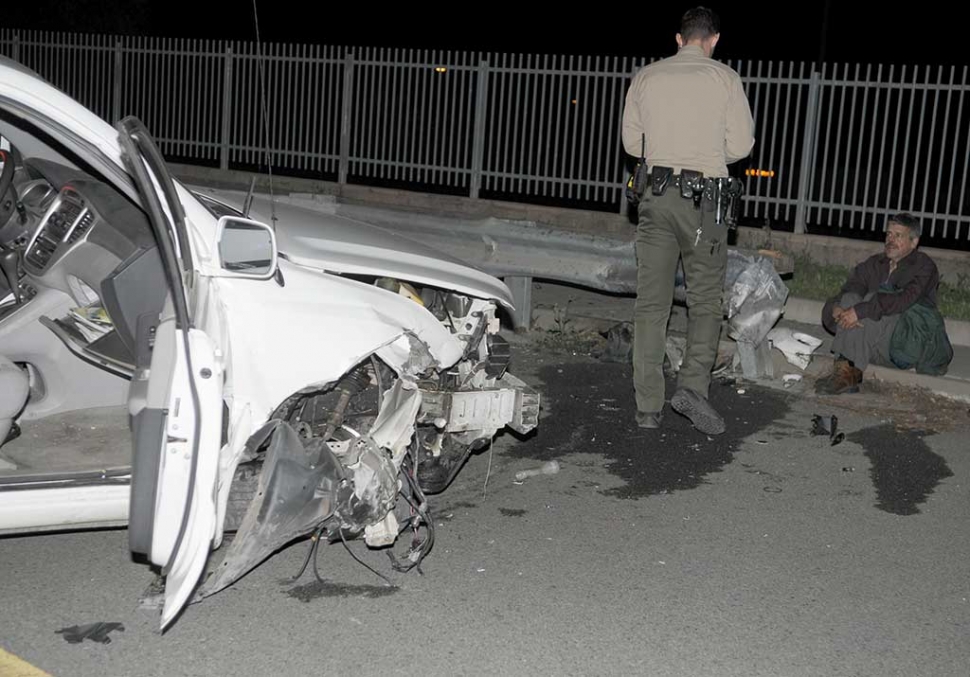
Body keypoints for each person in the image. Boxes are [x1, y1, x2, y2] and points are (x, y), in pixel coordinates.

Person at [621, 6, 755, 434]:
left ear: (678, 39)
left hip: (656, 199)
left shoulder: (646, 76)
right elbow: (741, 147)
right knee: (705, 301)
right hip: (705, 206)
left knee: (651, 303)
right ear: (713, 40)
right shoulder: (725, 78)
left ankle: (647, 405)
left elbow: (630, 142)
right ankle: (693, 388)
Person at [815, 212, 953, 394]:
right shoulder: (876, 263)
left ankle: (847, 370)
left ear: (914, 242)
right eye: (888, 234)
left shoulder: (924, 266)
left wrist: (861, 310)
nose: (891, 239)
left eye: (898, 235)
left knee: (876, 300)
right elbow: (849, 289)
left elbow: (904, 300)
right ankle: (847, 370)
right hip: (873, 346)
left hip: (904, 344)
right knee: (850, 298)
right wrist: (835, 309)